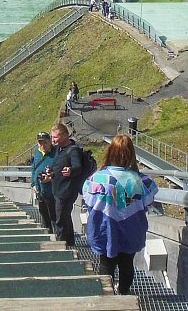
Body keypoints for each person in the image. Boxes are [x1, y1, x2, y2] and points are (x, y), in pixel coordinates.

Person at [82, 134, 158, 296]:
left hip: (104, 230)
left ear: (110, 153)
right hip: (131, 230)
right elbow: (149, 200)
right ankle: (123, 292)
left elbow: (87, 201)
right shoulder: (143, 181)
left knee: (106, 264)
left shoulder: (95, 179)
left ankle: (106, 296)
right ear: (131, 154)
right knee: (127, 264)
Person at [50, 122, 84, 248]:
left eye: (55, 137)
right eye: (52, 137)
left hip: (66, 191)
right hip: (58, 189)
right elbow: (58, 165)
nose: (53, 140)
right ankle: (69, 244)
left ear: (64, 136)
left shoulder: (72, 150)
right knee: (65, 218)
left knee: (60, 221)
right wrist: (51, 172)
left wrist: (71, 170)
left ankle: (61, 246)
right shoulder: (60, 149)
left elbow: (78, 167)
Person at [30, 131, 57, 234]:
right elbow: (34, 169)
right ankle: (48, 234)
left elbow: (60, 169)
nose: (42, 145)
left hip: (52, 191)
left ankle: (57, 237)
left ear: (50, 142)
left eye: (45, 143)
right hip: (40, 190)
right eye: (40, 143)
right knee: (44, 215)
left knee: (54, 216)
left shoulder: (56, 152)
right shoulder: (37, 152)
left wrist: (51, 177)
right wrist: (33, 184)